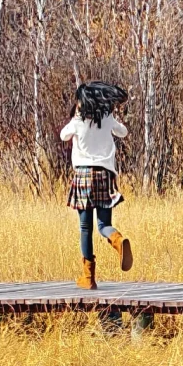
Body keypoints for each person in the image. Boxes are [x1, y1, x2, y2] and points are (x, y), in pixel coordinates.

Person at [60, 82, 132, 290]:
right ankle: (117, 239)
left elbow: (64, 135)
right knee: (103, 225)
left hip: (83, 175)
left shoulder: (77, 121)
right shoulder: (107, 119)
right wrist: (109, 118)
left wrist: (75, 117)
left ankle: (88, 278)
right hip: (104, 175)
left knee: (85, 228)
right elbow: (123, 132)